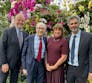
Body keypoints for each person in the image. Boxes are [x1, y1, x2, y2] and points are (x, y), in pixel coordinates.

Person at [0, 13, 28, 83]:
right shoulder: (7, 31)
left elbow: (24, 51)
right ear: (15, 20)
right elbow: (2, 47)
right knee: (2, 80)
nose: (20, 22)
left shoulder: (26, 35)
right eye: (19, 20)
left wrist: (22, 64)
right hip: (6, 63)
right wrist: (4, 63)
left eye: (22, 20)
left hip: (17, 64)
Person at [66, 16, 92, 83]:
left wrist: (91, 72)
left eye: (75, 23)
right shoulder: (67, 38)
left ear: (79, 23)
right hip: (70, 69)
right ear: (68, 25)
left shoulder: (88, 36)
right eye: (71, 24)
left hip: (83, 70)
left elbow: (91, 55)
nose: (74, 25)